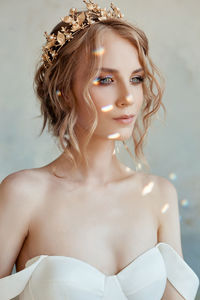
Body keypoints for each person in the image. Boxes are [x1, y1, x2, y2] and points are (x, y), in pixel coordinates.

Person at [0, 0, 199, 299]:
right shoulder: (24, 193)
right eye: (105, 79)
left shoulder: (159, 196)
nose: (128, 97)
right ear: (64, 92)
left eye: (136, 79)